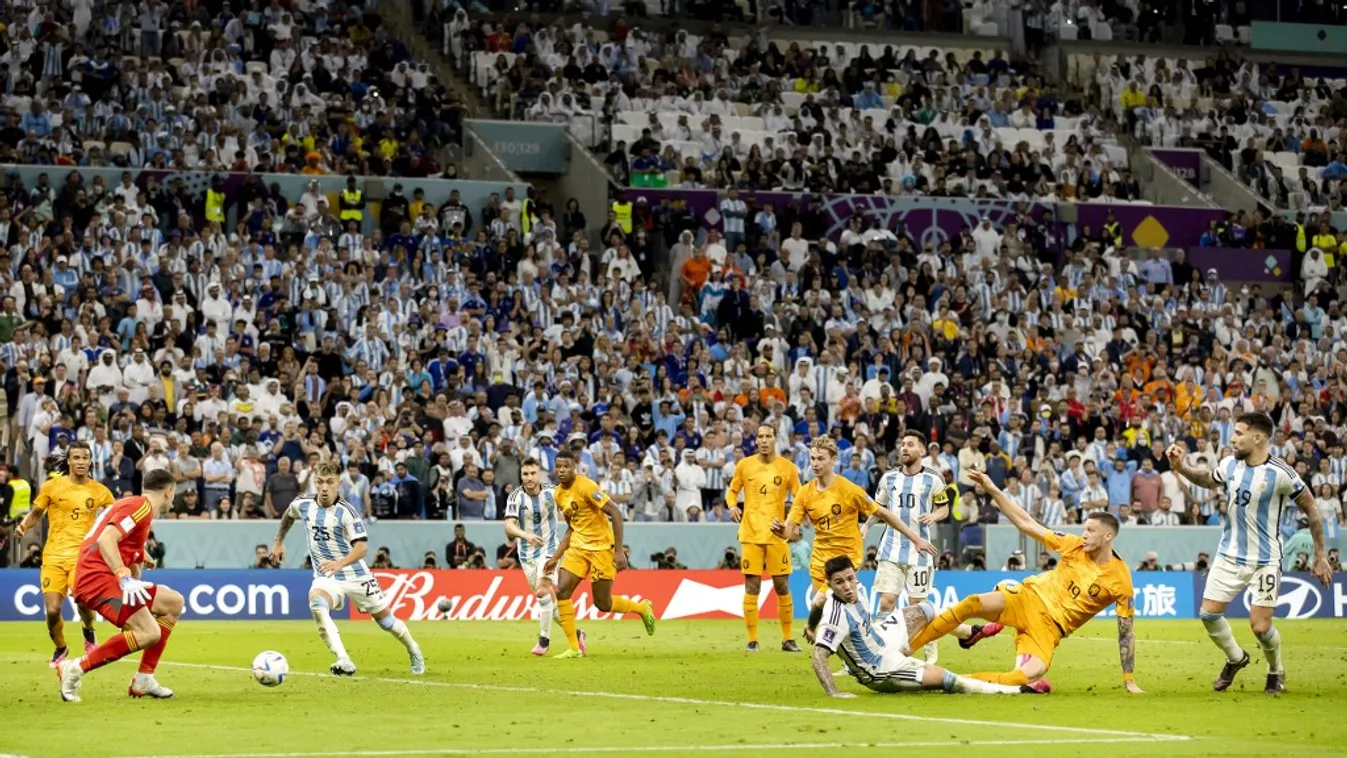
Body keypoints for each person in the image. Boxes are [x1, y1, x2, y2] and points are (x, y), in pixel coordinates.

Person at [904, 470, 1142, 693]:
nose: (1084, 534)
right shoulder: (1074, 544)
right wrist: (994, 490)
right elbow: (1026, 523)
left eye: (1090, 530)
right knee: (972, 603)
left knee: (1021, 678)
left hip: (1049, 631)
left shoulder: (1120, 580)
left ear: (1107, 536)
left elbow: (1126, 633)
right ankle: (906, 651)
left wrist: (1128, 680)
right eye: (1085, 529)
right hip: (1028, 598)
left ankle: (945, 680)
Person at [1165, 412, 1332, 694]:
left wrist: (1320, 555)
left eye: (1239, 433)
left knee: (1260, 627)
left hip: (1265, 560)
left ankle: (1275, 670)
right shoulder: (1231, 464)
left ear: (1258, 438)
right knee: (1208, 615)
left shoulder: (1281, 473)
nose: (1233, 438)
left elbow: (1312, 509)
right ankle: (1236, 658)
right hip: (1229, 555)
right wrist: (1180, 467)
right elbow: (1208, 480)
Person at [811, 556, 1051, 698]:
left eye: (850, 578)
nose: (847, 586)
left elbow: (818, 604)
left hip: (882, 636)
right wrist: (834, 692)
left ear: (855, 575)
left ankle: (968, 634)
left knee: (927, 609)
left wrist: (811, 626)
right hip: (880, 668)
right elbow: (818, 657)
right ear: (830, 584)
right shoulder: (836, 616)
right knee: (949, 681)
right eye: (839, 583)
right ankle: (1018, 690)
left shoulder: (853, 593)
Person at [269, 460, 425, 676]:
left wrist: (340, 563)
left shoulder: (347, 513)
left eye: (329, 482)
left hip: (356, 576)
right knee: (317, 603)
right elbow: (288, 515)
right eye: (320, 482)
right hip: (327, 576)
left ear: (338, 484)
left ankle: (413, 649)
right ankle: (343, 658)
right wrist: (278, 542)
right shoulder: (303, 504)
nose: (324, 487)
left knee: (386, 621)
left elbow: (361, 548)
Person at [771, 437, 935, 640]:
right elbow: (790, 530)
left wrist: (915, 539)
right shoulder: (805, 493)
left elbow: (884, 514)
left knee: (819, 603)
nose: (815, 463)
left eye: (821, 459)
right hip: (820, 558)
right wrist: (781, 532)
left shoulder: (849, 490)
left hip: (846, 558)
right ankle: (863, 642)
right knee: (835, 611)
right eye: (812, 458)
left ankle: (813, 630)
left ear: (833, 460)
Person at [57, 469, 182, 702]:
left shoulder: (138, 509)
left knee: (173, 603)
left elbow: (123, 548)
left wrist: (135, 566)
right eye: (174, 494)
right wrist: (123, 576)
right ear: (168, 491)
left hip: (105, 577)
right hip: (97, 579)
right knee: (149, 633)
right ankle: (74, 668)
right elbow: (106, 539)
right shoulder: (140, 507)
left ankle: (144, 679)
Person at [543, 451, 657, 658]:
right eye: (558, 466)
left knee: (602, 604)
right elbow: (571, 528)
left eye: (566, 466)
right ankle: (574, 648)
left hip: (602, 549)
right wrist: (555, 557)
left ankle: (642, 608)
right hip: (578, 548)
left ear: (574, 467)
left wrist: (619, 550)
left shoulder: (586, 486)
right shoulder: (558, 495)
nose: (561, 470)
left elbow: (615, 512)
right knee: (562, 592)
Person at [15, 441, 115, 665]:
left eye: (85, 458)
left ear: (91, 461)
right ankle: (61, 648)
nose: (81, 462)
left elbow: (118, 520)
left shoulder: (100, 491)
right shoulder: (52, 486)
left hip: (83, 558)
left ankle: (88, 629)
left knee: (84, 603)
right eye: (76, 458)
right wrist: (23, 526)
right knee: (52, 610)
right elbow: (36, 513)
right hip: (53, 557)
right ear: (69, 461)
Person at [868, 431, 949, 663]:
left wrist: (934, 515)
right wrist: (865, 528)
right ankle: (877, 652)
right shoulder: (888, 478)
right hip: (891, 549)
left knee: (919, 608)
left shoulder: (934, 479)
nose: (904, 448)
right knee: (886, 602)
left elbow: (944, 508)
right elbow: (878, 509)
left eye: (910, 445)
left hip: (921, 553)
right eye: (902, 444)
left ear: (921, 451)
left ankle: (930, 654)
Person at [725, 424, 803, 653]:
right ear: (756, 440)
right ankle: (752, 640)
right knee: (752, 586)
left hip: (777, 535)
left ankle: (788, 639)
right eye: (760, 436)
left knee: (781, 586)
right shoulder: (744, 465)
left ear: (775, 439)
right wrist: (731, 506)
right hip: (750, 533)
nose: (764, 440)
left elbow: (799, 498)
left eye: (768, 436)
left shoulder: (787, 468)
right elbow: (732, 491)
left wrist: (792, 524)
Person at [505, 458, 577, 656]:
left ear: (540, 474)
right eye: (526, 474)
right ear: (521, 475)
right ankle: (577, 635)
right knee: (548, 600)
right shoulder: (515, 496)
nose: (529, 478)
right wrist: (526, 535)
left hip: (550, 549)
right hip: (526, 555)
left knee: (541, 591)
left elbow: (572, 508)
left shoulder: (553, 492)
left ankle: (544, 640)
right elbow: (509, 525)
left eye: (533, 473)